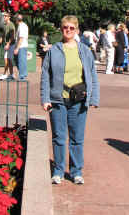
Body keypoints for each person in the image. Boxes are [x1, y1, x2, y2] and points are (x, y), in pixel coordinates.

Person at [41, 15, 99, 185]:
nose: (68, 30)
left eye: (72, 28)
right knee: (59, 137)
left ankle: (76, 171)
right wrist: (45, 98)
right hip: (58, 100)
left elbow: (92, 75)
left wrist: (94, 97)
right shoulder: (54, 51)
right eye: (65, 27)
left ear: (77, 30)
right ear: (61, 29)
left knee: (77, 138)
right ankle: (58, 170)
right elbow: (45, 75)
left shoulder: (85, 51)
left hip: (79, 100)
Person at [0, 12, 16, 80]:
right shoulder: (5, 25)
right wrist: (0, 39)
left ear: (9, 17)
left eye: (5, 16)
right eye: (3, 16)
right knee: (8, 59)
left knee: (8, 59)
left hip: (11, 45)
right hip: (7, 44)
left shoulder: (11, 25)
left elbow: (12, 36)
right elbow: (3, 34)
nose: (4, 17)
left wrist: (8, 44)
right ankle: (11, 74)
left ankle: (6, 74)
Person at [14, 14, 29, 80]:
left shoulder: (22, 26)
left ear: (17, 20)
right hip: (22, 46)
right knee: (20, 60)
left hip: (21, 46)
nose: (15, 21)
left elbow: (21, 38)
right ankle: (23, 74)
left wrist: (17, 48)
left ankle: (22, 76)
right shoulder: (23, 25)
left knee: (21, 61)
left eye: (15, 19)